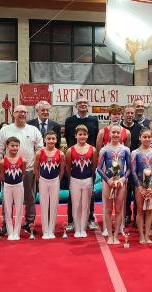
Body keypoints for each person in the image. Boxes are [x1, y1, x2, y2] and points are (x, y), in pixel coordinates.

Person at [0, 105, 43, 236]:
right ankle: (6, 224)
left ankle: (29, 223)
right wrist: (0, 170)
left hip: (28, 170)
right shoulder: (5, 130)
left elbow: (40, 150)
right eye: (19, 112)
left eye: (24, 112)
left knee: (30, 198)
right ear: (14, 114)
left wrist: (36, 168)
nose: (22, 114)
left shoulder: (33, 130)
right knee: (7, 199)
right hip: (8, 171)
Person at [65, 97, 99, 232]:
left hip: (89, 159)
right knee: (71, 194)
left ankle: (90, 219)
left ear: (88, 105)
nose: (83, 105)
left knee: (89, 193)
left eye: (85, 102)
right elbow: (68, 138)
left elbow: (95, 139)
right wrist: (73, 154)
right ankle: (71, 220)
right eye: (80, 103)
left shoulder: (94, 120)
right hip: (74, 159)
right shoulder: (70, 121)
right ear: (76, 106)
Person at [97, 123, 131, 244]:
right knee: (107, 209)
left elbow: (129, 169)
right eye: (113, 132)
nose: (116, 135)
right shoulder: (104, 149)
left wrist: (122, 180)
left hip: (121, 182)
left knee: (118, 210)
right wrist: (108, 180)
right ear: (109, 134)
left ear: (121, 134)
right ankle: (109, 235)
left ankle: (116, 235)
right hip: (108, 182)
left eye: (118, 133)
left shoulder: (125, 150)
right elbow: (99, 168)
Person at [66, 125, 98, 238]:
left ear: (88, 135)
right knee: (76, 205)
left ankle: (83, 228)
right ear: (75, 136)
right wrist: (74, 178)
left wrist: (88, 177)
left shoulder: (93, 150)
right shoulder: (70, 150)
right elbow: (68, 167)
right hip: (75, 179)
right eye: (80, 134)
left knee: (85, 205)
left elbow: (94, 167)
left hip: (88, 179)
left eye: (84, 134)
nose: (82, 136)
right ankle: (77, 227)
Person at [131, 128, 152, 244]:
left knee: (149, 211)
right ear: (140, 138)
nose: (147, 139)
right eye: (144, 137)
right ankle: (141, 235)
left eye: (149, 137)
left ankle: (147, 235)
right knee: (140, 211)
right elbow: (133, 171)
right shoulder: (135, 153)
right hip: (140, 186)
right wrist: (139, 187)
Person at [34, 130, 65, 239]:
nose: (51, 141)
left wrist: (57, 180)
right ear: (44, 140)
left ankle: (51, 230)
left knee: (53, 205)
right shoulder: (39, 153)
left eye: (53, 139)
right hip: (43, 180)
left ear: (56, 140)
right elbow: (36, 169)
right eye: (49, 139)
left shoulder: (60, 154)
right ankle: (45, 230)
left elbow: (62, 170)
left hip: (55, 181)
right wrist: (39, 179)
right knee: (44, 205)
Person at [0, 137, 27, 241]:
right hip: (7, 186)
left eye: (17, 146)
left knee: (19, 209)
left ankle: (17, 232)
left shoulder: (23, 160)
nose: (15, 148)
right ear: (7, 146)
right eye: (12, 146)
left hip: (19, 185)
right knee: (7, 209)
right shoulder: (2, 162)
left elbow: (23, 174)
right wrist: (8, 185)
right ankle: (10, 232)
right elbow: (1, 176)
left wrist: (18, 183)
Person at [120, 104, 142, 225]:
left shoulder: (139, 128)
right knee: (126, 192)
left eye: (131, 113)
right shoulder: (119, 129)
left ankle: (136, 215)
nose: (129, 115)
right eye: (127, 113)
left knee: (137, 190)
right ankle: (126, 215)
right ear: (123, 114)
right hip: (123, 166)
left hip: (137, 166)